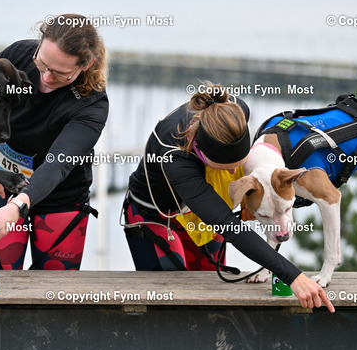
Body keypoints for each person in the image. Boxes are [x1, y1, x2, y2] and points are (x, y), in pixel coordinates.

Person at [123, 84, 334, 312]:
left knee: (211, 298)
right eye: (226, 168)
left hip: (202, 211)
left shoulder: (234, 108)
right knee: (168, 300)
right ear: (203, 154)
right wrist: (292, 276)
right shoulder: (175, 158)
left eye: (239, 165)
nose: (234, 173)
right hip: (157, 215)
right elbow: (229, 226)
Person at [0, 13, 108, 270]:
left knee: (54, 287)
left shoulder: (92, 104)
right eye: (42, 64)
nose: (46, 77)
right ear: (39, 44)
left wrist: (18, 205)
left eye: (61, 73)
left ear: (86, 65)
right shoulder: (17, 55)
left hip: (59, 198)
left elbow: (57, 164)